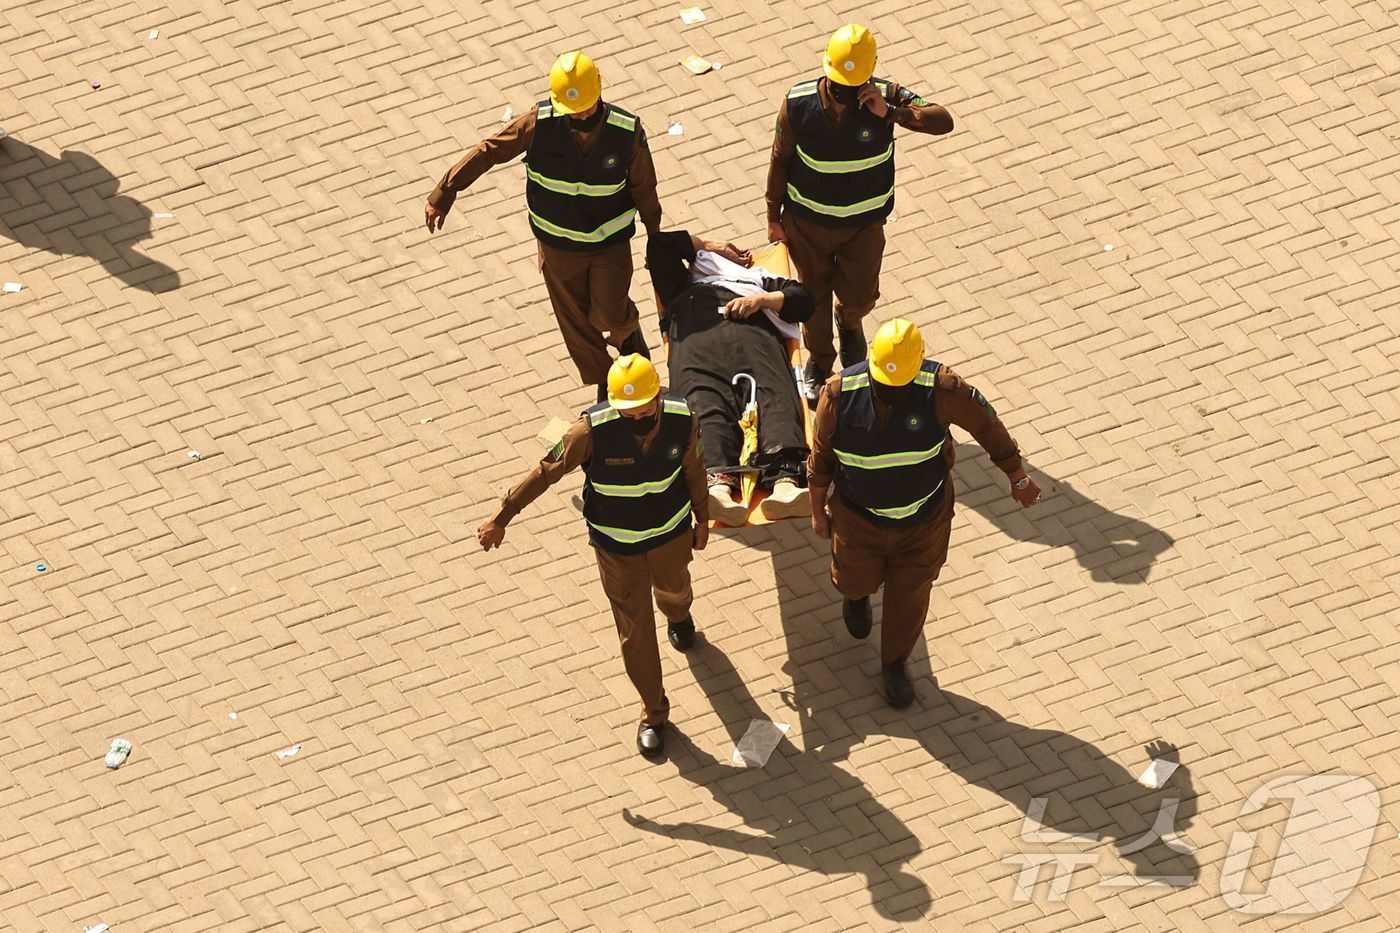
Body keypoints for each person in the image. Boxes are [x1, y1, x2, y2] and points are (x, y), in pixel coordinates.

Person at [478, 355, 707, 759]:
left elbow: (694, 468)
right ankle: (654, 714)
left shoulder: (682, 418)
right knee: (635, 635)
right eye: (626, 410)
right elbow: (546, 471)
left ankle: (679, 615)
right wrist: (502, 516)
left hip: (670, 538)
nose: (635, 415)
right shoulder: (589, 431)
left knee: (675, 593)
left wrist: (703, 520)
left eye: (642, 408)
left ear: (657, 395)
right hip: (618, 551)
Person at [807, 319, 1041, 707]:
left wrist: (1016, 475)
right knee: (852, 578)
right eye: (884, 383)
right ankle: (857, 596)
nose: (891, 393)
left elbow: (987, 427)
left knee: (910, 597)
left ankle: (895, 664)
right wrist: (818, 513)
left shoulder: (944, 391)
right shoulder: (838, 397)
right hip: (857, 519)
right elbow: (821, 460)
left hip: (923, 522)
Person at [426, 52, 661, 400]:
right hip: (557, 245)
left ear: (600, 93)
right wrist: (446, 190)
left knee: (610, 312)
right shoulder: (538, 124)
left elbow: (644, 186)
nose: (579, 116)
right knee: (577, 323)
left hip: (609, 243)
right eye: (572, 111)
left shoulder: (626, 131)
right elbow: (490, 150)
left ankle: (628, 336)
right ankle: (609, 386)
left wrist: (655, 237)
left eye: (586, 107)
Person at [765, 24, 955, 404]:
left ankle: (850, 322)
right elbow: (779, 159)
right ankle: (820, 362)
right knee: (811, 299)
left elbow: (942, 120)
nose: (842, 98)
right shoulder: (798, 103)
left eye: (850, 91)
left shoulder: (884, 97)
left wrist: (893, 113)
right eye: (837, 89)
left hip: (864, 227)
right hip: (807, 224)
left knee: (862, 296)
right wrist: (773, 216)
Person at [646, 230, 817, 525]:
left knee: (774, 393)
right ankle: (718, 490)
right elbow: (660, 245)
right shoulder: (681, 284)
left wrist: (761, 301)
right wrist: (712, 246)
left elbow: (804, 301)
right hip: (696, 339)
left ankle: (785, 484)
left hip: (754, 335)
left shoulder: (760, 281)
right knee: (702, 400)